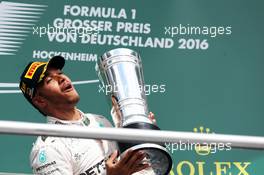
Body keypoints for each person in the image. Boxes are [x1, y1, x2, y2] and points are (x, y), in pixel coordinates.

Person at [19, 55, 156, 175]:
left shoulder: (98, 120)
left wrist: (144, 137)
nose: (61, 78)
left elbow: (143, 167)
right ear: (40, 100)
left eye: (60, 73)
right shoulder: (48, 149)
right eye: (49, 80)